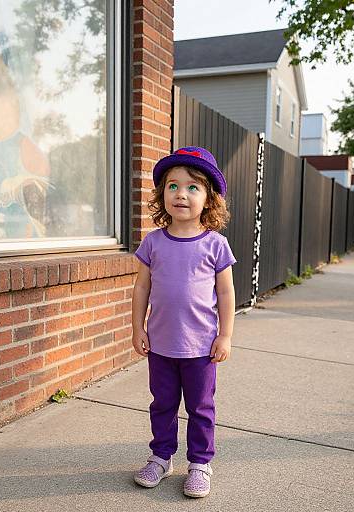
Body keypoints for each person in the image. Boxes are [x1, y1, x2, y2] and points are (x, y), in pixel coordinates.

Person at [131, 146, 237, 498]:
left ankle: (200, 463)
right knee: (162, 403)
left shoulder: (216, 245)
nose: (182, 194)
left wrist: (225, 336)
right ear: (162, 194)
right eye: (173, 185)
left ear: (208, 199)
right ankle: (161, 457)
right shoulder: (153, 242)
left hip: (201, 347)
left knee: (200, 407)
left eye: (193, 187)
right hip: (161, 344)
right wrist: (137, 327)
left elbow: (225, 294)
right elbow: (142, 286)